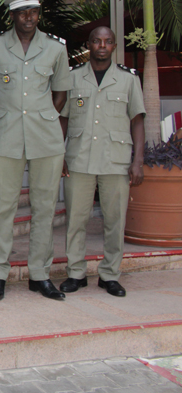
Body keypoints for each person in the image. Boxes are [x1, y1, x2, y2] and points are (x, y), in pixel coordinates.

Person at [0, 0, 70, 301]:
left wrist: (44, 116)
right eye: (22, 12)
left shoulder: (56, 48)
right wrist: (0, 118)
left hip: (46, 138)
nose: (29, 18)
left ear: (38, 14)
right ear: (12, 15)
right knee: (3, 208)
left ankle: (39, 275)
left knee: (45, 208)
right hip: (6, 138)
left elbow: (61, 94)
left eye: (33, 11)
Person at [59, 26, 145, 298]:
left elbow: (137, 121)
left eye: (107, 41)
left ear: (114, 45)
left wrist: (138, 161)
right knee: (75, 219)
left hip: (115, 161)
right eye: (96, 41)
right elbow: (62, 119)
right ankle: (76, 272)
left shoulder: (128, 80)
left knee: (114, 220)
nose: (102, 46)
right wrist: (59, 155)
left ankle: (110, 274)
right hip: (79, 158)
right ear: (89, 44)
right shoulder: (73, 78)